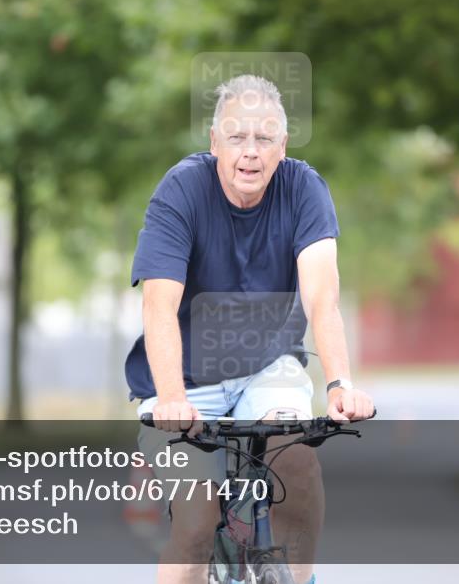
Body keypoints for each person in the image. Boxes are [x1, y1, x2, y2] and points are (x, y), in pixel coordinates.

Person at [125, 74, 375, 584]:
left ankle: (296, 577)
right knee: (195, 526)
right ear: (214, 142)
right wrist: (172, 398)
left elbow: (322, 298)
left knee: (297, 459)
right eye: (237, 137)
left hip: (268, 367)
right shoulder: (182, 190)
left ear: (283, 146)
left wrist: (340, 385)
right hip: (184, 382)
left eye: (264, 138)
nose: (250, 152)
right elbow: (158, 305)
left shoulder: (303, 188)